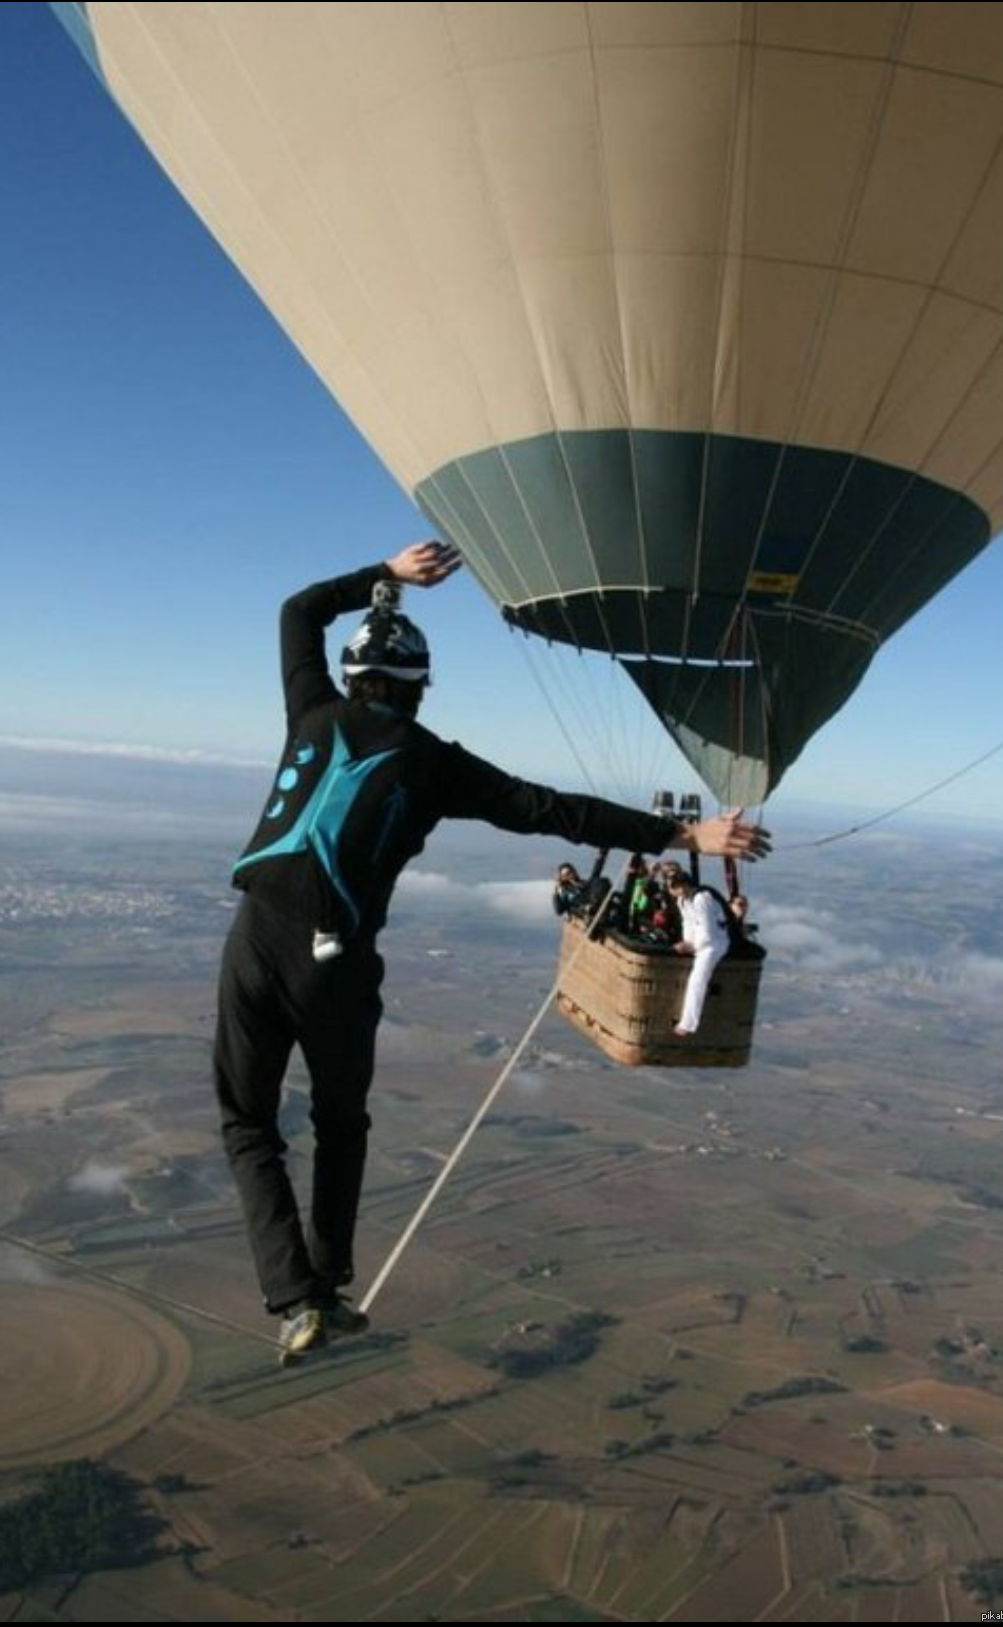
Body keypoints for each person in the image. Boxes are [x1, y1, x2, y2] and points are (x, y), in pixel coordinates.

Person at [213, 542, 771, 1361]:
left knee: (248, 1123)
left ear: (351, 672)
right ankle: (325, 1289)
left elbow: (297, 609)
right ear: (416, 688)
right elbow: (551, 810)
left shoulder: (311, 712)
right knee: (340, 1123)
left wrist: (388, 576)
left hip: (254, 940)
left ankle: (295, 1297)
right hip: (339, 961)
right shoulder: (435, 765)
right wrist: (682, 833)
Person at [668, 873, 731, 1036]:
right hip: (699, 943)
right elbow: (687, 922)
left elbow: (707, 929)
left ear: (682, 886)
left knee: (697, 980)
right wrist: (687, 941)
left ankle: (688, 1024)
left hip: (714, 944)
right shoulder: (682, 901)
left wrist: (693, 947)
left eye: (672, 887)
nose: (670, 891)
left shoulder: (702, 899)